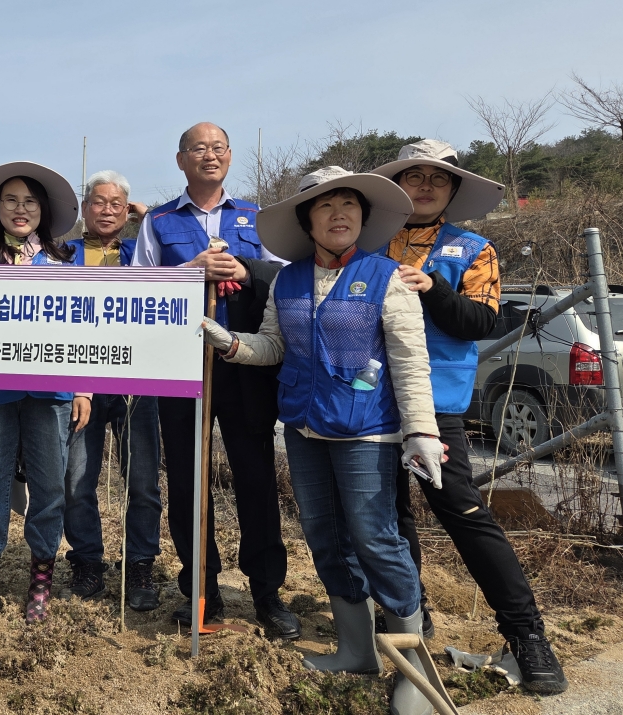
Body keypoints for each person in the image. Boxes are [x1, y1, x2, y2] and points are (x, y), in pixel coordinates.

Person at [201, 166, 443, 715]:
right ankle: (356, 649)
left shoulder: (387, 277)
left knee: (375, 537)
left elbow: (410, 361)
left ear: (363, 217)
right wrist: (231, 344)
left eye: (349, 205)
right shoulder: (287, 281)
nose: (339, 214)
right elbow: (273, 346)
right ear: (307, 222)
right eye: (325, 206)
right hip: (304, 428)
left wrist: (422, 431)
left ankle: (413, 662)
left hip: (367, 431)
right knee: (324, 535)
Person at [373, 140, 568, 694]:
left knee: (463, 512)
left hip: (436, 405)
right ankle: (409, 613)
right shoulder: (369, 242)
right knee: (387, 515)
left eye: (439, 177)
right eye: (414, 176)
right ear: (397, 186)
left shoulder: (474, 249)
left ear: (454, 189)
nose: (426, 186)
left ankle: (527, 635)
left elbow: (481, 324)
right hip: (370, 399)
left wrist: (433, 287)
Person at [132, 122, 298, 638]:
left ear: (229, 156)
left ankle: (267, 592)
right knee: (188, 478)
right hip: (182, 366)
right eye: (198, 148)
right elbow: (137, 288)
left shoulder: (257, 217)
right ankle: (201, 589)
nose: (209, 155)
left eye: (218, 147)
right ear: (180, 159)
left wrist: (246, 270)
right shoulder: (159, 221)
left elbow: (285, 279)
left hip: (246, 362)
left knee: (255, 476)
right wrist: (189, 271)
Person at [0, 161, 90, 631]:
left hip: (52, 390)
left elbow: (83, 330)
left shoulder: (64, 262)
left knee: (49, 487)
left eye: (30, 201)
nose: (20, 209)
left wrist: (84, 388)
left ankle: (40, 585)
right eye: (10, 200)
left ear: (43, 210)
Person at [62, 170, 162, 611]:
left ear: (128, 211)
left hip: (136, 382)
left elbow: (176, 242)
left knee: (142, 481)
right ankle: (87, 562)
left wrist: (147, 214)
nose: (107, 210)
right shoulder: (63, 254)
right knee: (76, 480)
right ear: (85, 208)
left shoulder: (144, 250)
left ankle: (140, 564)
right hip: (79, 383)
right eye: (98, 202)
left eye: (116, 204)